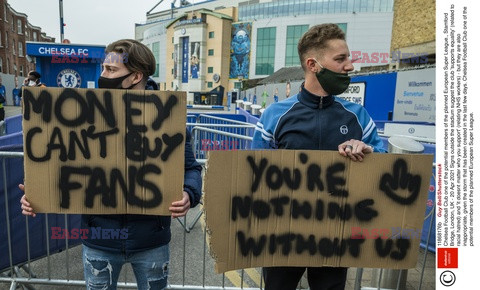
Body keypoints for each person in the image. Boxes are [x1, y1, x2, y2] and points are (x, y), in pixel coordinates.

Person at [20, 39, 203, 290]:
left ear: (136, 76)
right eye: (103, 68)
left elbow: (191, 168)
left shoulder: (168, 117)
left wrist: (188, 193)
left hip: (151, 241)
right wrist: (37, 195)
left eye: (111, 70)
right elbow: (58, 162)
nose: (103, 75)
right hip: (100, 240)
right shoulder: (83, 115)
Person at [251, 24, 385, 290]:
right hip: (283, 237)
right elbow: (253, 175)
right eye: (340, 59)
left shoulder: (357, 116)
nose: (350, 66)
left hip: (336, 237)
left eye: (349, 58)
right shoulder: (274, 116)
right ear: (313, 64)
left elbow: (386, 164)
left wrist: (369, 152)